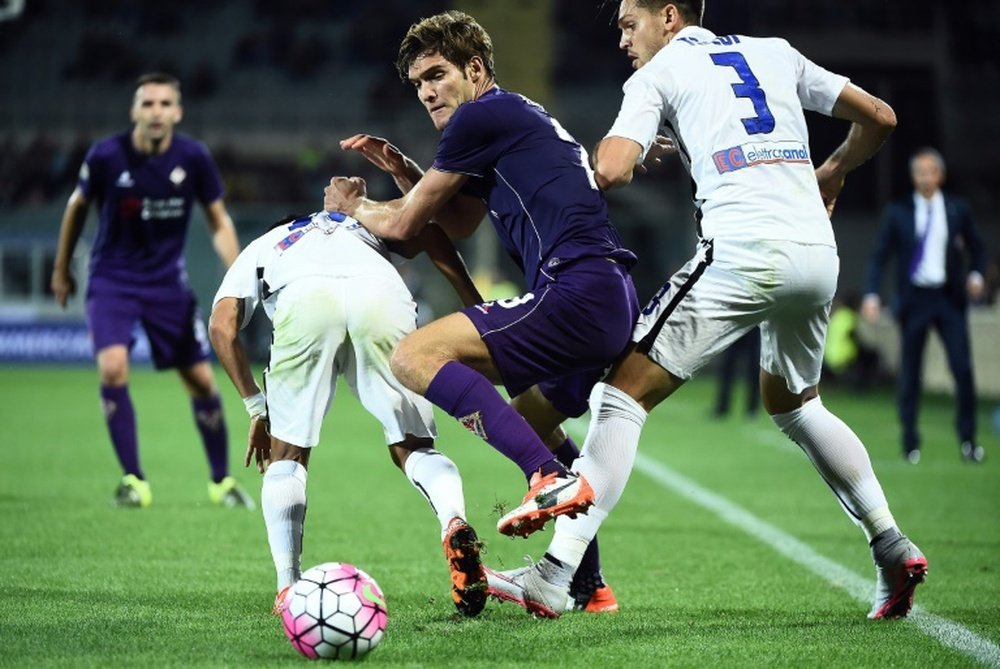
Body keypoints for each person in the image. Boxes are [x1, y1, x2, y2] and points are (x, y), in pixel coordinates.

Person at [491, 0, 927, 621]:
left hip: (743, 252)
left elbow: (611, 170)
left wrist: (605, 153)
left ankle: (554, 575)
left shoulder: (658, 74)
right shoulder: (773, 52)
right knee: (797, 406)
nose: (622, 39)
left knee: (619, 397)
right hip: (815, 255)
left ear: (669, 16)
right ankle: (890, 543)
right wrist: (831, 171)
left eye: (628, 23)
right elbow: (881, 117)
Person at [323, 10, 641, 613]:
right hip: (607, 293)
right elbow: (460, 219)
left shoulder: (481, 115)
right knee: (532, 416)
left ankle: (547, 477)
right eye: (418, 84)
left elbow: (407, 224)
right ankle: (584, 583)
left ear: (474, 70)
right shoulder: (510, 116)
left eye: (437, 74)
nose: (427, 92)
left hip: (574, 289)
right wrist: (408, 175)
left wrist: (353, 205)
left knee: (414, 356)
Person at [209, 209, 492, 617]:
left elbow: (221, 327)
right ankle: (453, 522)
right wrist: (477, 309)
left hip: (304, 297)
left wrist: (257, 407)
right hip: (380, 293)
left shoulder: (264, 244)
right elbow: (430, 232)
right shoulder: (362, 224)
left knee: (287, 458)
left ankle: (288, 587)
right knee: (414, 447)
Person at [50, 72, 253, 509]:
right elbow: (76, 206)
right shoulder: (106, 156)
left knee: (200, 379)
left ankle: (221, 482)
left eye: (164, 104)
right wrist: (62, 266)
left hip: (166, 284)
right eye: (148, 104)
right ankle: (133, 480)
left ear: (177, 112)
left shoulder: (193, 157)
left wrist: (237, 275)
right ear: (134, 111)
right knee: (113, 369)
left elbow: (218, 219)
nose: (156, 112)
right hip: (112, 280)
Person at [861, 148, 987, 464]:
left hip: (948, 299)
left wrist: (976, 274)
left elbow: (978, 248)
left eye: (930, 172)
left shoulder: (957, 209)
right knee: (910, 373)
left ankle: (969, 442)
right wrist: (872, 295)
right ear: (913, 176)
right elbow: (880, 256)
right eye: (919, 172)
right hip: (914, 299)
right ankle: (910, 444)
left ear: (940, 175)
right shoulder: (898, 211)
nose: (925, 178)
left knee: (962, 368)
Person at [711, 328, 761, 419]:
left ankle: (752, 409)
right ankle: (722, 408)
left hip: (754, 326)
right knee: (727, 368)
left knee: (754, 369)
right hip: (736, 326)